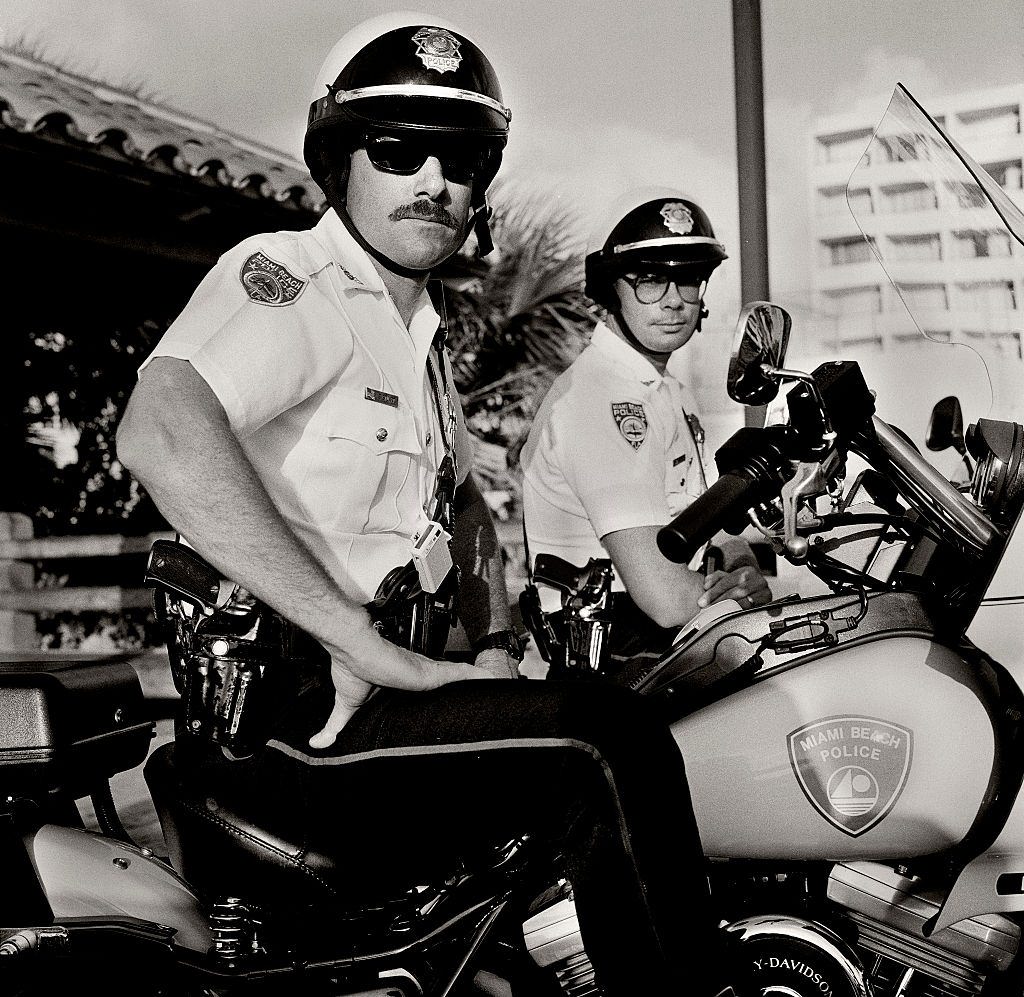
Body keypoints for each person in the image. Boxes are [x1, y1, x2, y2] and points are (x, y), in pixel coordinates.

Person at [117, 15, 740, 996]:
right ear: (340, 162)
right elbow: (159, 429)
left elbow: (456, 519)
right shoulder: (293, 280)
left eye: (459, 159)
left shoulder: (414, 332)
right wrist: (351, 634)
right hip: (290, 722)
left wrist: (492, 640)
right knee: (604, 740)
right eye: (397, 149)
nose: (432, 181)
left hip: (395, 694)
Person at [521, 188, 773, 666]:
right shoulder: (602, 398)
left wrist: (741, 569)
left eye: (690, 280)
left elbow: (706, 520)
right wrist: (742, 598)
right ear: (610, 289)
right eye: (650, 281)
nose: (674, 302)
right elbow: (664, 599)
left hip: (665, 644)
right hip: (618, 661)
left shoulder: (659, 386)